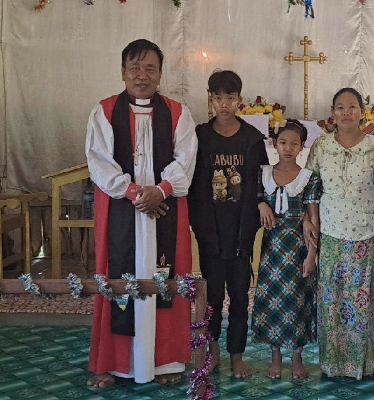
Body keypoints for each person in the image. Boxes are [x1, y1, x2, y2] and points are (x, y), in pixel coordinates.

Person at [85, 39, 197, 387]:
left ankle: (166, 360)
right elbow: (100, 163)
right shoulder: (103, 111)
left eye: (150, 68)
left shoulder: (178, 113)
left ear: (160, 73)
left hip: (165, 209)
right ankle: (115, 363)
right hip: (121, 211)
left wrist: (160, 190)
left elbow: (187, 159)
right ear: (122, 72)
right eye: (134, 67)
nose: (142, 74)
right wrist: (136, 192)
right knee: (117, 279)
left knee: (166, 278)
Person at [306, 87, 374, 379]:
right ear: (332, 113)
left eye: (352, 107)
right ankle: (334, 364)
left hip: (368, 232)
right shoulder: (321, 147)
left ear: (362, 112)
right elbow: (311, 189)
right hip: (331, 232)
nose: (346, 113)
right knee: (331, 300)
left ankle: (363, 363)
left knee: (363, 300)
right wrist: (310, 223)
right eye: (340, 107)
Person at [188, 70, 267, 378]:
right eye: (218, 98)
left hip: (240, 232)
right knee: (212, 297)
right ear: (211, 99)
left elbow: (260, 183)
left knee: (238, 295)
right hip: (210, 231)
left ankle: (237, 355)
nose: (224, 104)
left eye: (230, 98)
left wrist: (249, 227)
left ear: (240, 101)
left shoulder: (251, 139)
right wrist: (199, 225)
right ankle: (213, 350)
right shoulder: (200, 136)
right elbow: (194, 184)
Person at [253, 119, 322, 379]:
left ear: (302, 147)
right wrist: (261, 204)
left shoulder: (308, 178)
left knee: (298, 302)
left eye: (295, 143)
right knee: (273, 302)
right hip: (272, 250)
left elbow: (313, 218)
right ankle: (275, 357)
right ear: (274, 144)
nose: (288, 148)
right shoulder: (263, 174)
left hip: (298, 249)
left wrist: (312, 254)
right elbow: (253, 200)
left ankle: (296, 357)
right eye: (283, 142)